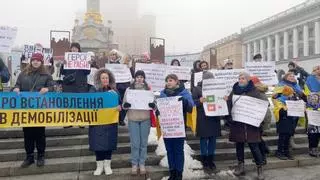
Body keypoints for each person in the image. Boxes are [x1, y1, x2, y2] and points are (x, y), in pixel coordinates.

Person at [13, 53, 54, 168]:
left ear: (41, 62)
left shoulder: (46, 75)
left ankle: (41, 155)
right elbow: (17, 85)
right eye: (34, 60)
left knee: (40, 133)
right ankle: (29, 156)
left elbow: (53, 87)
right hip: (26, 110)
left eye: (38, 60)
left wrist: (48, 89)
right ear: (31, 61)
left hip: (40, 109)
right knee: (27, 134)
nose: (35, 62)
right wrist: (15, 88)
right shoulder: (23, 74)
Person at [227, 72, 267, 180]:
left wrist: (259, 121)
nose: (240, 80)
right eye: (239, 78)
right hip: (238, 124)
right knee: (239, 146)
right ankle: (241, 167)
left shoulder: (255, 92)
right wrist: (229, 117)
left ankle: (260, 169)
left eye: (243, 78)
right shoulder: (234, 91)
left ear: (248, 80)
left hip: (251, 125)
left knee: (254, 146)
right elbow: (229, 105)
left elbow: (261, 108)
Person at [160, 74, 194, 180]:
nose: (168, 82)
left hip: (179, 126)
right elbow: (158, 109)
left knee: (178, 150)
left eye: (170, 80)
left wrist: (185, 102)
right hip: (167, 127)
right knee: (169, 150)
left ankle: (179, 173)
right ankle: (172, 172)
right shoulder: (163, 94)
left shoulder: (184, 93)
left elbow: (191, 108)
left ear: (176, 82)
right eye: (167, 81)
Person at [122, 70, 156, 175]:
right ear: (135, 78)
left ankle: (142, 163)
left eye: (141, 77)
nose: (139, 78)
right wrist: (126, 105)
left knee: (143, 144)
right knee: (135, 143)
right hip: (133, 119)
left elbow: (154, 104)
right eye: (137, 77)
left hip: (145, 119)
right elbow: (124, 104)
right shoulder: (129, 89)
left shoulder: (148, 89)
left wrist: (153, 105)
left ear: (144, 78)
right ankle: (134, 164)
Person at [88, 68, 120, 176]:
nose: (105, 80)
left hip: (110, 122)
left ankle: (107, 165)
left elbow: (119, 105)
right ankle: (99, 166)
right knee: (98, 143)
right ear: (99, 79)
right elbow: (90, 101)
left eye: (107, 78)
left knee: (108, 143)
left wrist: (119, 107)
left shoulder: (114, 90)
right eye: (103, 78)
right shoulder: (93, 89)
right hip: (97, 122)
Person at [272, 72, 307, 160]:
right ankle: (280, 152)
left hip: (294, 113)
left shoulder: (297, 86)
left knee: (289, 134)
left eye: (293, 76)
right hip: (284, 112)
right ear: (285, 77)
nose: (292, 77)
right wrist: (282, 107)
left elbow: (303, 98)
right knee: (283, 134)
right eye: (290, 76)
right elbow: (275, 98)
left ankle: (287, 152)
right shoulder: (281, 85)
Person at [192, 71, 221, 172]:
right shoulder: (197, 88)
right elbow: (192, 102)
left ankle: (211, 159)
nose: (210, 81)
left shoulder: (217, 88)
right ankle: (204, 159)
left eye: (211, 79)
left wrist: (224, 99)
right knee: (204, 139)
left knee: (213, 138)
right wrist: (199, 101)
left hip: (214, 116)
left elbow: (220, 99)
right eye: (208, 79)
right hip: (202, 116)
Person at [60, 43, 91, 128]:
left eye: (76, 48)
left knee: (80, 103)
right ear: (70, 49)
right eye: (72, 48)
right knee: (69, 103)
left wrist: (88, 65)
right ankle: (68, 121)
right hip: (69, 84)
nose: (74, 49)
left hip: (80, 84)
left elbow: (87, 73)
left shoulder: (84, 59)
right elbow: (62, 72)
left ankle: (80, 121)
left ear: (79, 50)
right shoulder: (67, 58)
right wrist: (63, 64)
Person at [250, 76, 271, 165]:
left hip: (261, 118)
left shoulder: (256, 92)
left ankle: (262, 157)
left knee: (257, 139)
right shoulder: (260, 91)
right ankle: (263, 155)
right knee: (258, 138)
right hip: (264, 117)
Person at [107, 49, 130, 126]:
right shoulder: (108, 65)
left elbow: (129, 74)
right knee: (113, 103)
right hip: (112, 87)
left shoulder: (122, 64)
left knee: (122, 103)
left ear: (117, 56)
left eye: (114, 55)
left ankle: (121, 119)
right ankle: (113, 118)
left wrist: (128, 67)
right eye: (112, 55)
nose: (113, 56)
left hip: (123, 86)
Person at [304, 66, 320, 157]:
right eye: (317, 69)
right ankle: (312, 148)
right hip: (313, 109)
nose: (318, 71)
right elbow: (309, 93)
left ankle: (316, 148)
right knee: (313, 131)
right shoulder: (310, 79)